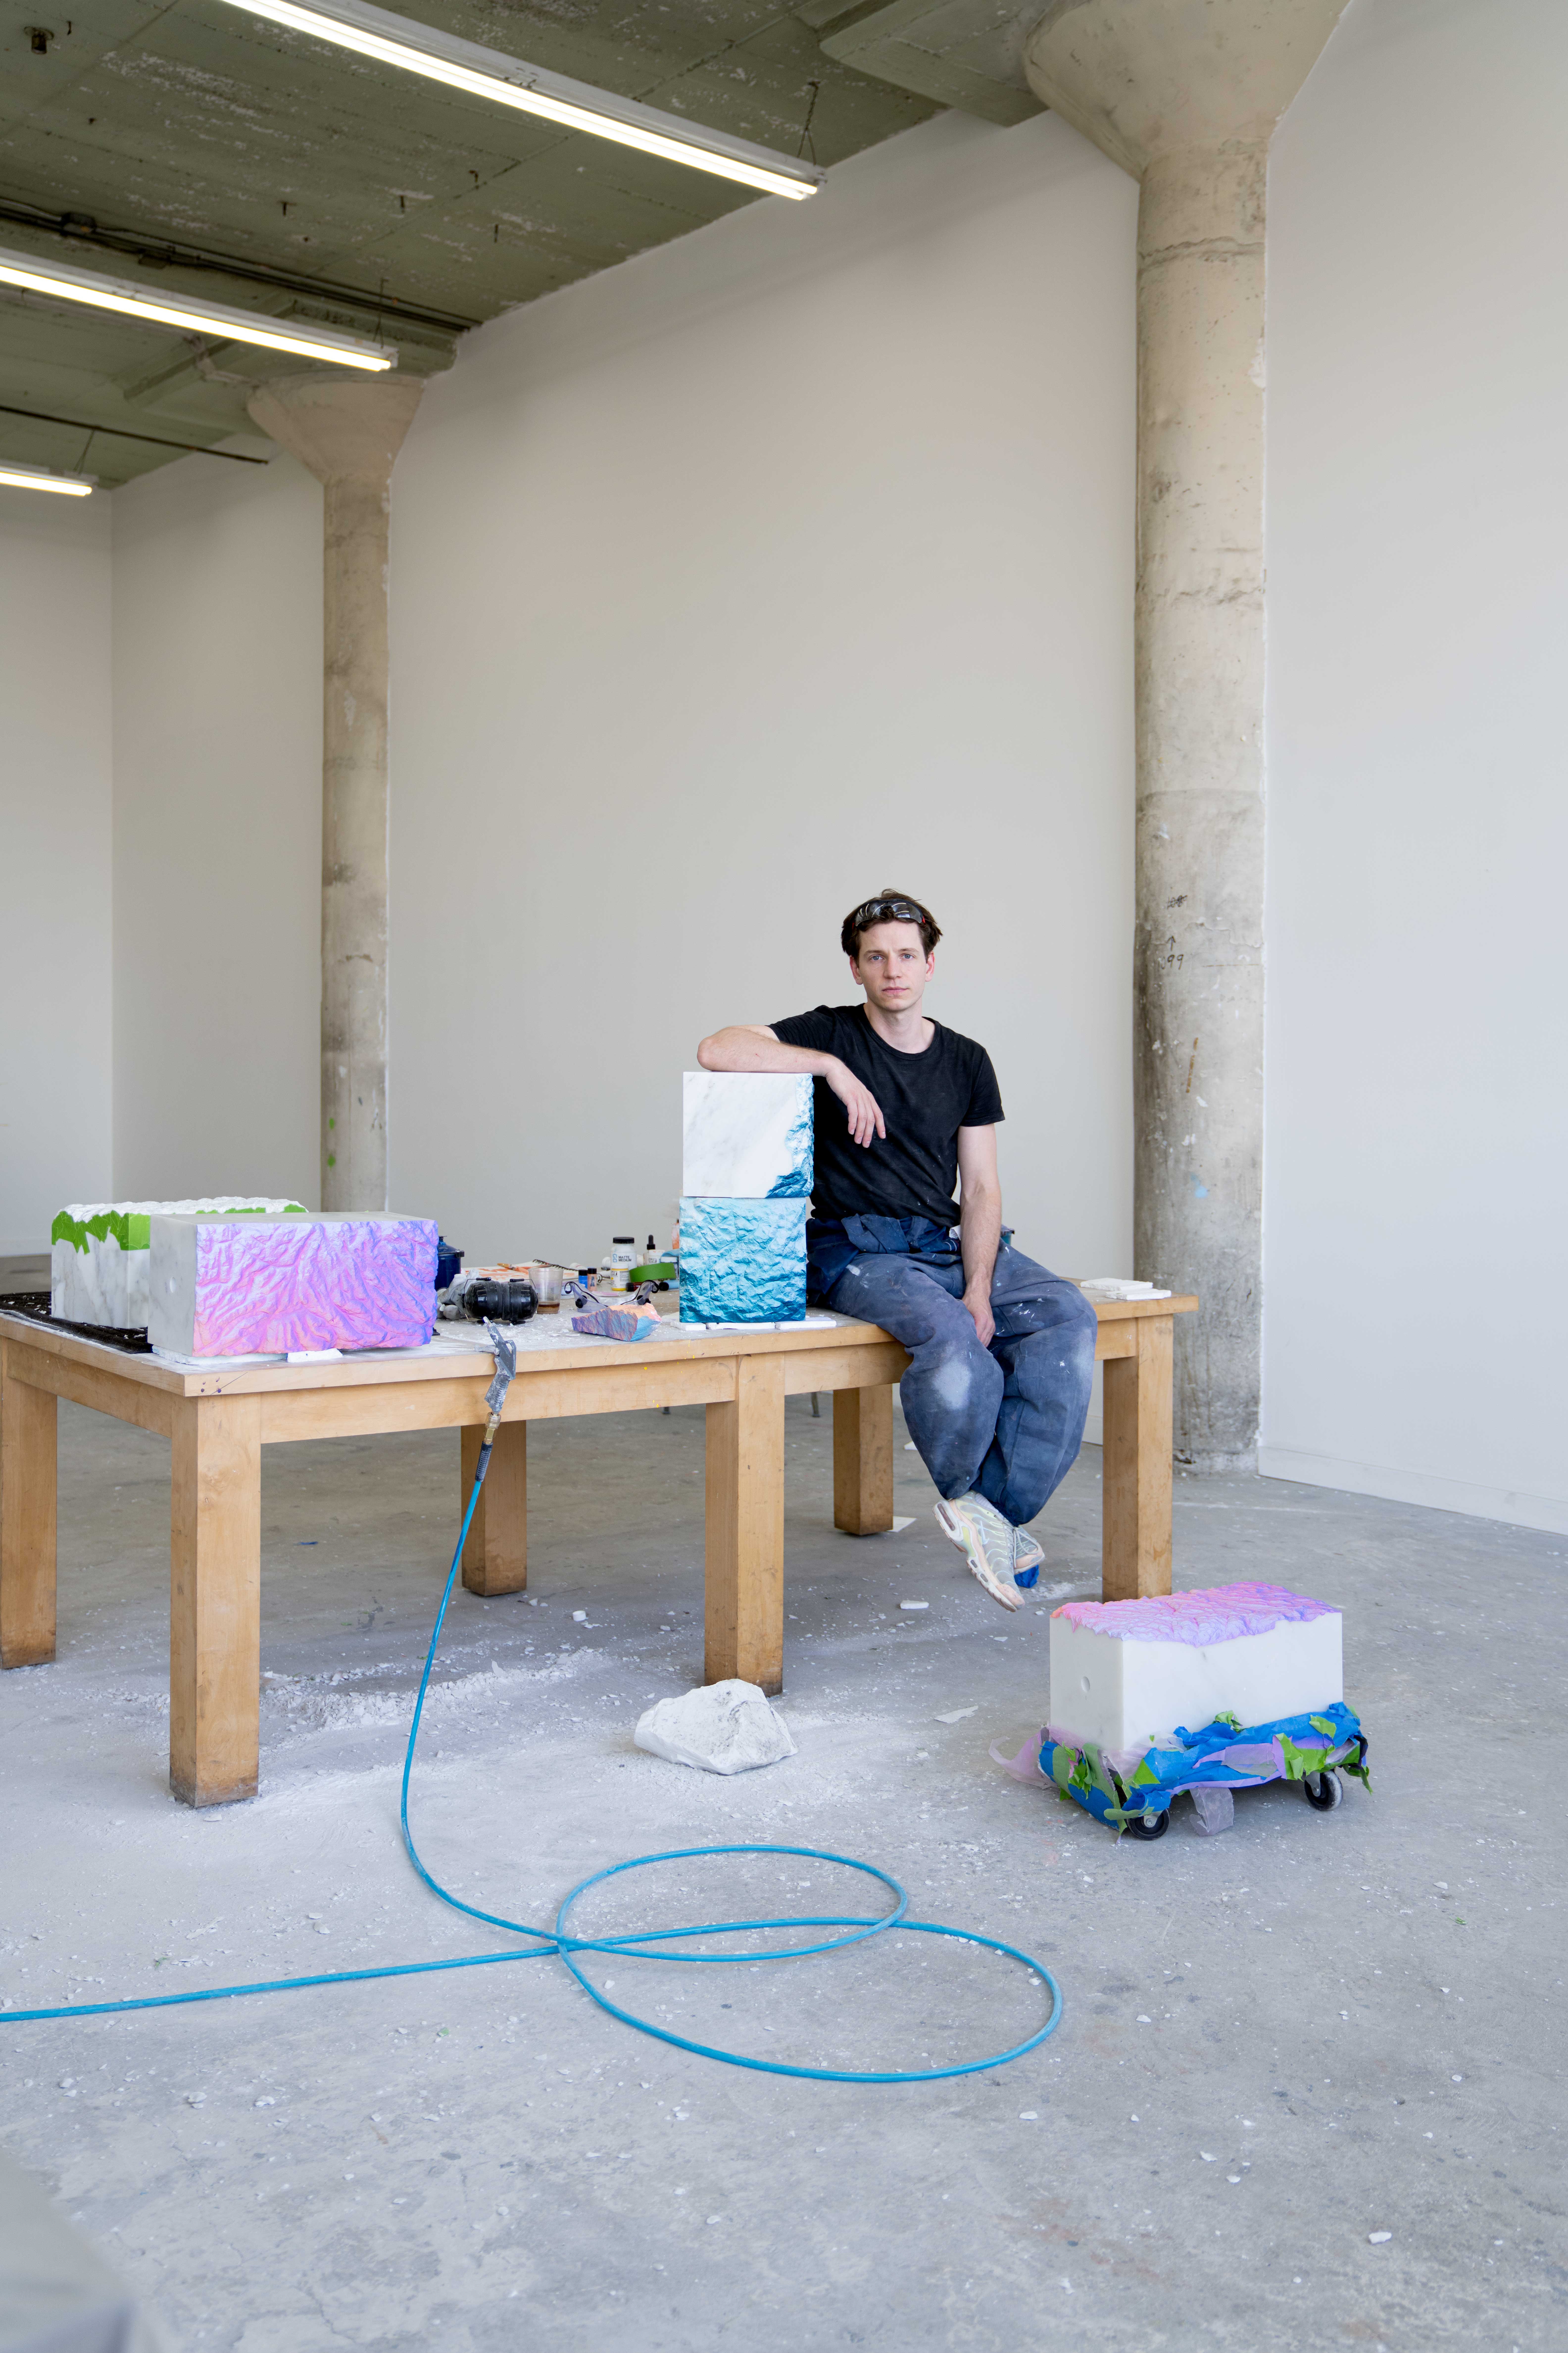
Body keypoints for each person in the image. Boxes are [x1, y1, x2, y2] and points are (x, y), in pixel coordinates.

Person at [696, 890, 1097, 1611]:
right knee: (950, 1339)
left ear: (931, 964)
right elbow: (717, 1049)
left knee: (1065, 1314)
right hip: (855, 1246)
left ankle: (991, 1510)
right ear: (856, 968)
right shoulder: (833, 1033)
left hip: (939, 1242)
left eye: (907, 955)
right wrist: (828, 1067)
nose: (893, 969)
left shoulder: (968, 1061)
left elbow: (980, 1189)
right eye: (876, 956)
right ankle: (972, 1501)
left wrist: (979, 1285)